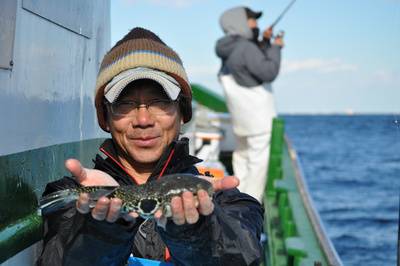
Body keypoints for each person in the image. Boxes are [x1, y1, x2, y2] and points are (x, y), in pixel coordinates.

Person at [36, 27, 264, 266]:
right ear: (105, 117)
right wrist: (100, 230)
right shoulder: (69, 198)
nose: (143, 120)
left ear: (183, 112)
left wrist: (195, 233)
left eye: (159, 101)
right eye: (125, 104)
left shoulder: (227, 202)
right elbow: (56, 258)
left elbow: (242, 255)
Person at [215, 6, 284, 202]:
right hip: (258, 119)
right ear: (240, 23)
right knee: (257, 163)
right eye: (252, 20)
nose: (255, 24)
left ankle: (236, 197)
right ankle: (249, 204)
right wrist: (276, 47)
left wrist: (264, 41)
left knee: (242, 157)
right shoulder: (246, 48)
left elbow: (246, 66)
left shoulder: (227, 48)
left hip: (241, 119)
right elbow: (268, 71)